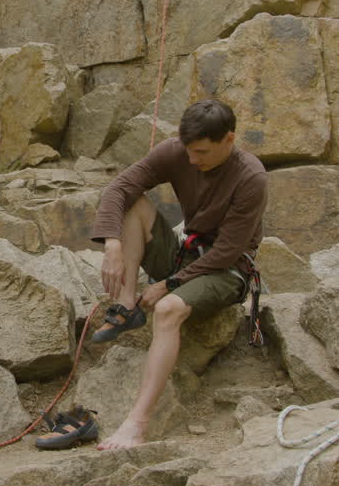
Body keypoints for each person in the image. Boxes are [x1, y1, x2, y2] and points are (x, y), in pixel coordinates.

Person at [88, 98, 267, 450]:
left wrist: (167, 285)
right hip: (186, 254)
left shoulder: (250, 177)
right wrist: (112, 244)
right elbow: (118, 188)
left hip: (226, 269)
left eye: (201, 152)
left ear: (228, 140)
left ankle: (137, 424)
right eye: (187, 150)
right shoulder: (178, 151)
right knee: (134, 202)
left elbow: (227, 252)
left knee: (169, 309)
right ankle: (126, 306)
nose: (191, 160)